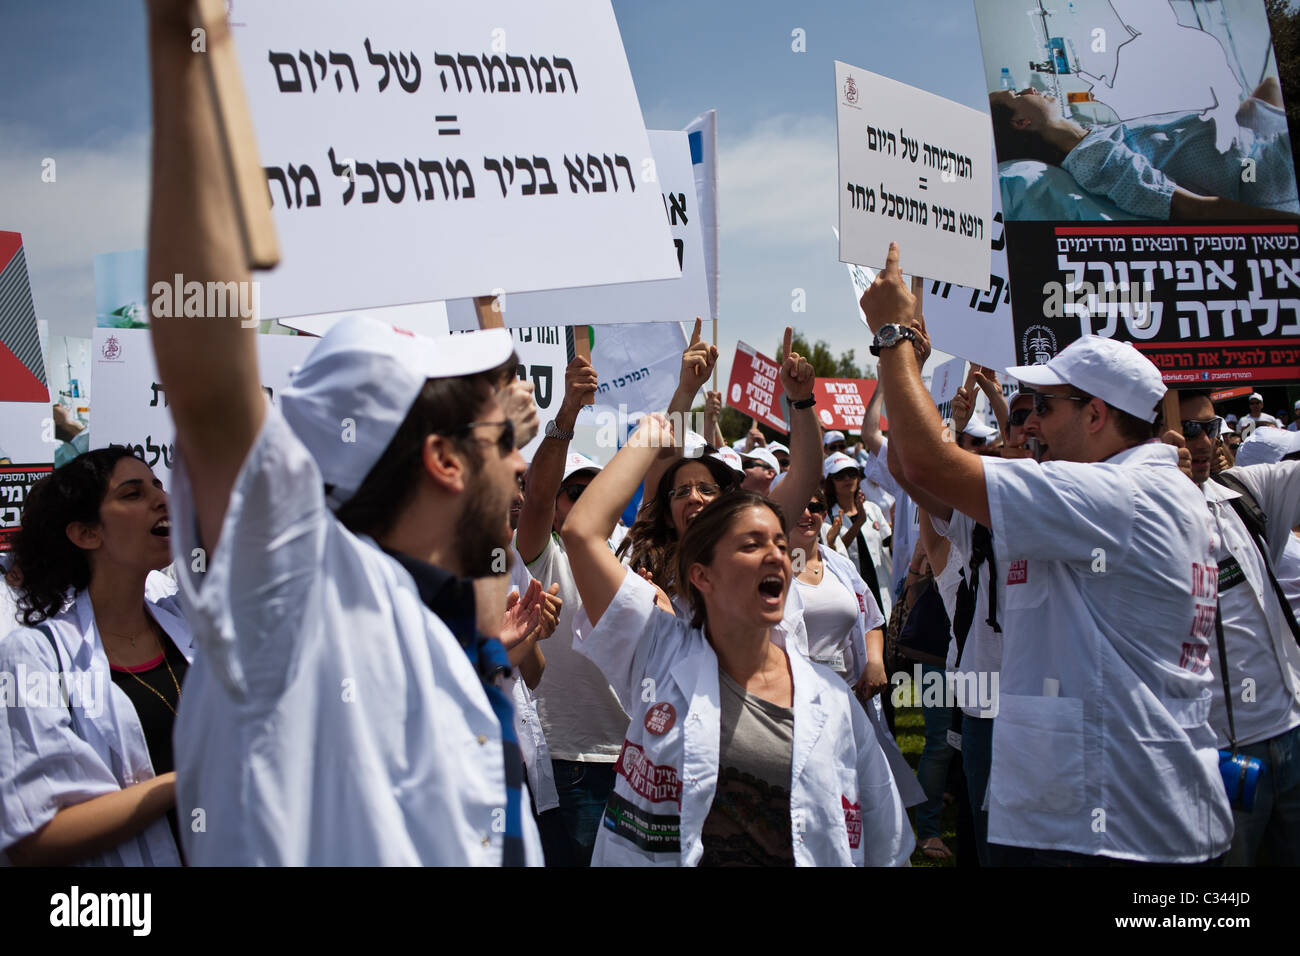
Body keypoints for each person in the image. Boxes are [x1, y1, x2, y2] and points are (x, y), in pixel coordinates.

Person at [144, 3, 547, 865]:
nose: (523, 460)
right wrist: (189, 51)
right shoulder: (297, 592)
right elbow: (212, 394)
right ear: (441, 461)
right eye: (503, 443)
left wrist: (496, 411)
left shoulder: (440, 607)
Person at [861, 241, 1232, 865]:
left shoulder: (1119, 495)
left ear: (1096, 415)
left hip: (1115, 833)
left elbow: (925, 459)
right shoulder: (1130, 487)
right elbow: (912, 471)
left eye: (1045, 406)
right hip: (1098, 817)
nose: (1029, 421)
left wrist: (893, 334)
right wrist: (908, 369)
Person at [560, 413, 912, 866]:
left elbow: (888, 848)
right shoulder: (658, 646)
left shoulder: (832, 701)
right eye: (750, 544)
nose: (776, 556)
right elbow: (581, 532)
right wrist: (649, 435)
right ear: (701, 575)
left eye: (781, 547)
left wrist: (801, 404)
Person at [0, 448, 192, 865]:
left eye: (158, 486)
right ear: (87, 534)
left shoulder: (187, 622)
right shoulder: (36, 655)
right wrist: (183, 783)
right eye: (132, 494)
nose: (162, 498)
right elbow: (34, 840)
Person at [514, 355, 631, 867]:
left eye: (593, 490)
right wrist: (566, 413)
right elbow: (537, 495)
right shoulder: (543, 555)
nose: (584, 501)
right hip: (573, 761)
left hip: (636, 758)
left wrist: (684, 402)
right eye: (572, 492)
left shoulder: (627, 552)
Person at [1175, 390, 1300, 865]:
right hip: (1216, 753)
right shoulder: (1135, 515)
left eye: (1209, 427)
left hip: (1290, 729)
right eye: (1188, 429)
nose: (1202, 441)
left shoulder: (1245, 493)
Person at [989, 79, 1299, 220]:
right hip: (1255, 171)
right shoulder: (1093, 160)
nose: (1029, 88)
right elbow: (1192, 208)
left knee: (1269, 88)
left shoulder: (1092, 139)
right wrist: (1284, 225)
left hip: (1246, 145)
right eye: (1016, 94)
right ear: (1021, 121)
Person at [823, 452, 892, 621]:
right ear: (831, 481)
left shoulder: (872, 509)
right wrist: (858, 523)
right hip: (853, 593)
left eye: (852, 473)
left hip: (882, 587)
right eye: (840, 475)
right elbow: (835, 553)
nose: (847, 479)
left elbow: (889, 544)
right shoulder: (828, 517)